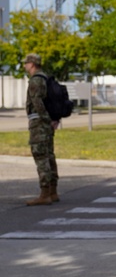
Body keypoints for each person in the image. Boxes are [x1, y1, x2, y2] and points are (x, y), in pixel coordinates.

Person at [21, 53, 60, 206]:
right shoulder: (45, 78)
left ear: (32, 64)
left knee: (41, 156)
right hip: (46, 122)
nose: (25, 66)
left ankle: (45, 194)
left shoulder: (36, 80)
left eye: (26, 63)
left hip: (39, 122)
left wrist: (44, 119)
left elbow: (37, 101)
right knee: (49, 155)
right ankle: (53, 191)